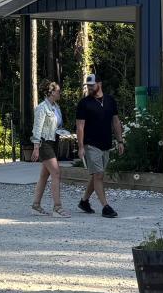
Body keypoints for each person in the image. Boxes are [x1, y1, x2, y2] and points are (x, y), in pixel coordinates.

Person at [76, 74, 125, 218]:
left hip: (106, 144)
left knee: (95, 175)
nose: (90, 88)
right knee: (98, 175)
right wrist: (80, 146)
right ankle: (105, 207)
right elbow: (80, 126)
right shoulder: (84, 103)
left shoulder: (110, 101)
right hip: (91, 144)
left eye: (92, 85)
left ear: (99, 84)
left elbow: (115, 122)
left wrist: (120, 141)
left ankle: (84, 201)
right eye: (88, 85)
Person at [30, 81, 69, 217]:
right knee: (56, 173)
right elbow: (37, 128)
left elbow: (57, 125)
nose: (60, 93)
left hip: (54, 142)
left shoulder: (56, 107)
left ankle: (35, 205)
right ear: (51, 92)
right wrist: (36, 147)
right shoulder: (42, 108)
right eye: (58, 91)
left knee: (44, 175)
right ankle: (57, 207)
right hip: (44, 144)